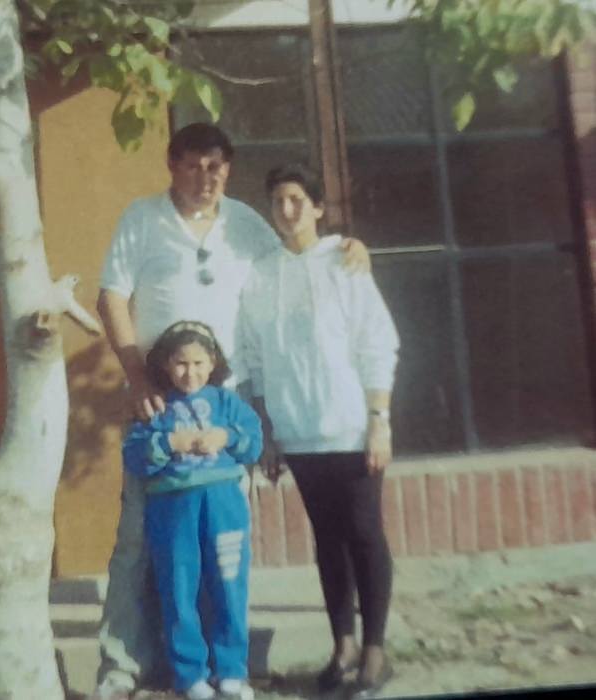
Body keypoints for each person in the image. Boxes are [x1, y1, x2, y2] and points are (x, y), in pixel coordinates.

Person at [93, 122, 370, 700]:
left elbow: (295, 260)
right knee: (140, 537)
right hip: (161, 399)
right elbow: (111, 295)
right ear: (172, 165)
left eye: (216, 166)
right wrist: (137, 376)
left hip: (228, 402)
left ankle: (222, 665)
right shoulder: (142, 218)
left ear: (228, 170)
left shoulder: (244, 223)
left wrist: (346, 246)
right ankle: (122, 663)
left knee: (219, 542)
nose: (206, 177)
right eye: (194, 165)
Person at [237, 163, 400, 700]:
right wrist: (269, 432)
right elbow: (255, 358)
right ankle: (343, 646)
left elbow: (378, 342)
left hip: (350, 426)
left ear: (317, 208)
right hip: (299, 431)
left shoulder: (344, 262)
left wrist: (379, 420)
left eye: (296, 200)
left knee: (363, 531)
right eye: (278, 201)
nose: (286, 211)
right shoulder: (261, 275)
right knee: (327, 539)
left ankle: (375, 651)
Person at [122, 321, 262, 700]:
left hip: (223, 506)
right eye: (181, 363)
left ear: (213, 362)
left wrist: (226, 436)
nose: (190, 372)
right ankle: (190, 674)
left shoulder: (227, 403)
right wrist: (169, 441)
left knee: (229, 584)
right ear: (166, 365)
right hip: (173, 510)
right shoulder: (156, 406)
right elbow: (134, 455)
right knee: (179, 588)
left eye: (199, 363)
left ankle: (231, 670)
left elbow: (253, 441)